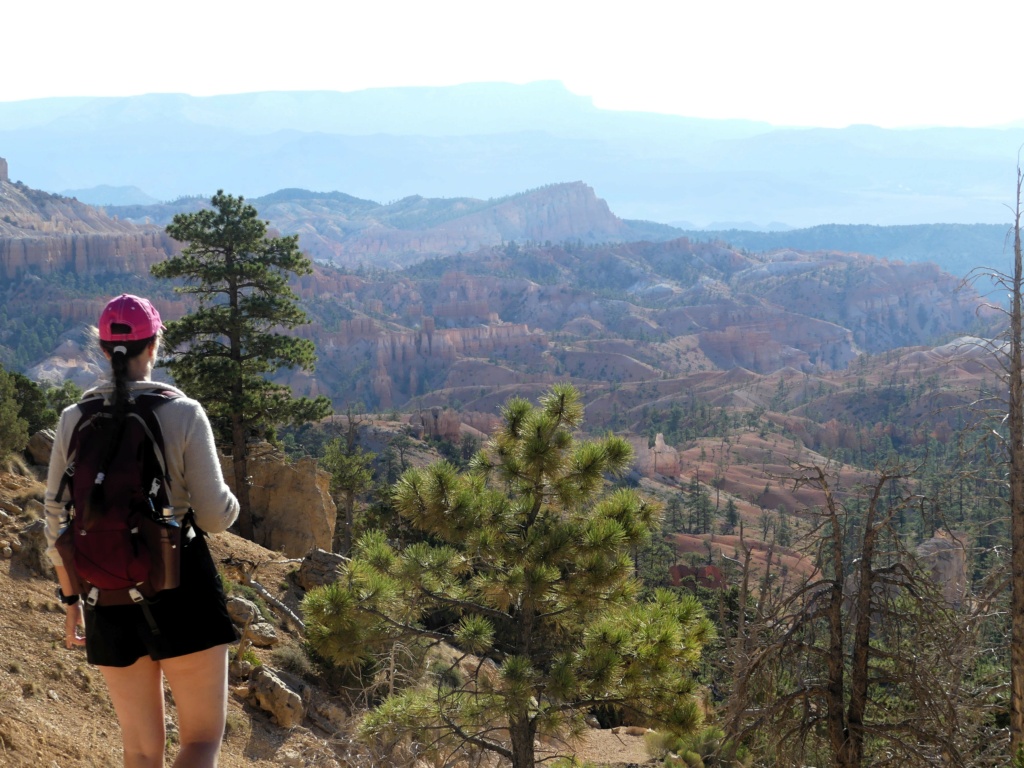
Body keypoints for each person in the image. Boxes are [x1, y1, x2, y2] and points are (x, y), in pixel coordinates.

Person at [44, 294, 240, 768]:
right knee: (199, 741)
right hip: (180, 584)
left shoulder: (74, 419)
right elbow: (215, 516)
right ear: (155, 345)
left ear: (100, 346)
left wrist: (72, 601)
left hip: (105, 595)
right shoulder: (183, 412)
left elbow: (55, 521)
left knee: (139, 751)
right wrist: (231, 499)